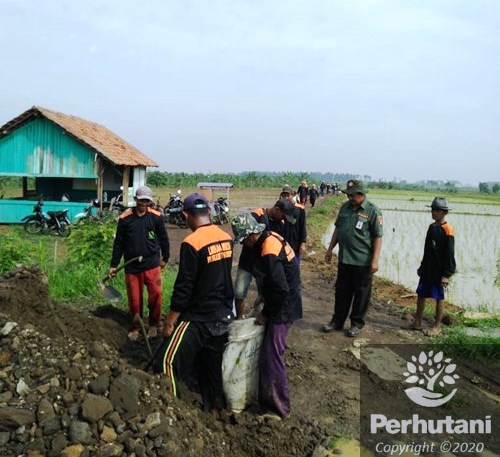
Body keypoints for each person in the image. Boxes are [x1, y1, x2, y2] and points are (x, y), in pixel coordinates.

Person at [154, 193, 234, 414]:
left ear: (186, 215)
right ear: (208, 211)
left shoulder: (191, 242)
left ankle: (172, 411)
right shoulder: (226, 236)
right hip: (223, 314)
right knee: (210, 366)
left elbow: (184, 286)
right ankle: (215, 408)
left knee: (165, 362)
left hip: (200, 317)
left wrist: (170, 321)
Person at [231, 212, 302, 418]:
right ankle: (266, 401)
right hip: (278, 301)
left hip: (284, 306)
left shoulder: (268, 247)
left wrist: (266, 313)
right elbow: (271, 279)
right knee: (268, 353)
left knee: (273, 356)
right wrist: (262, 296)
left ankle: (279, 409)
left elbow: (281, 288)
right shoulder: (265, 240)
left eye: (245, 240)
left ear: (253, 234)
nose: (244, 244)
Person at [322, 180, 383, 337]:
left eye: (352, 194)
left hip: (362, 262)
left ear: (361, 194)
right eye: (348, 194)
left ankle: (356, 324)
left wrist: (375, 260)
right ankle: (337, 321)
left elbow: (377, 237)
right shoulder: (345, 207)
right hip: (344, 259)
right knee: (341, 292)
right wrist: (329, 250)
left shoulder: (372, 211)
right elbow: (338, 229)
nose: (349, 197)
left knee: (361, 295)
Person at [109, 185, 170, 341]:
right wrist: (114, 265)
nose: (143, 204)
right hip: (132, 265)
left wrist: (165, 258)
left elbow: (163, 238)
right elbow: (119, 244)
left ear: (149, 202)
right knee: (135, 299)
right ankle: (136, 327)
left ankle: (154, 325)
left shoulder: (156, 217)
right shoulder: (125, 219)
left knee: (156, 295)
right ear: (136, 200)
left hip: (152, 264)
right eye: (141, 201)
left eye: (146, 201)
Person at [234, 198, 296, 319]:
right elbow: (244, 236)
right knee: (239, 292)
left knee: (265, 291)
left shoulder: (281, 224)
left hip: (265, 263)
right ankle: (239, 317)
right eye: (283, 216)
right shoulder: (257, 215)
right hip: (248, 261)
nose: (284, 219)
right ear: (277, 210)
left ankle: (260, 313)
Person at [410, 197, 456, 337]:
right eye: (432, 210)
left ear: (444, 212)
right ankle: (417, 322)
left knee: (439, 297)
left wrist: (446, 274)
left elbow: (449, 254)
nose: (433, 212)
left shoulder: (447, 229)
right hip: (428, 268)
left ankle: (437, 326)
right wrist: (422, 266)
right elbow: (427, 250)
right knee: (421, 294)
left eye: (436, 210)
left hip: (439, 270)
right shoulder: (432, 227)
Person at [280, 185, 307, 263]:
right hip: (282, 243)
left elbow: (302, 226)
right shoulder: (279, 208)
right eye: (283, 195)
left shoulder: (300, 209)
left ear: (293, 195)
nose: (285, 197)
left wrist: (303, 242)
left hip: (295, 243)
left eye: (288, 195)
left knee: (295, 265)